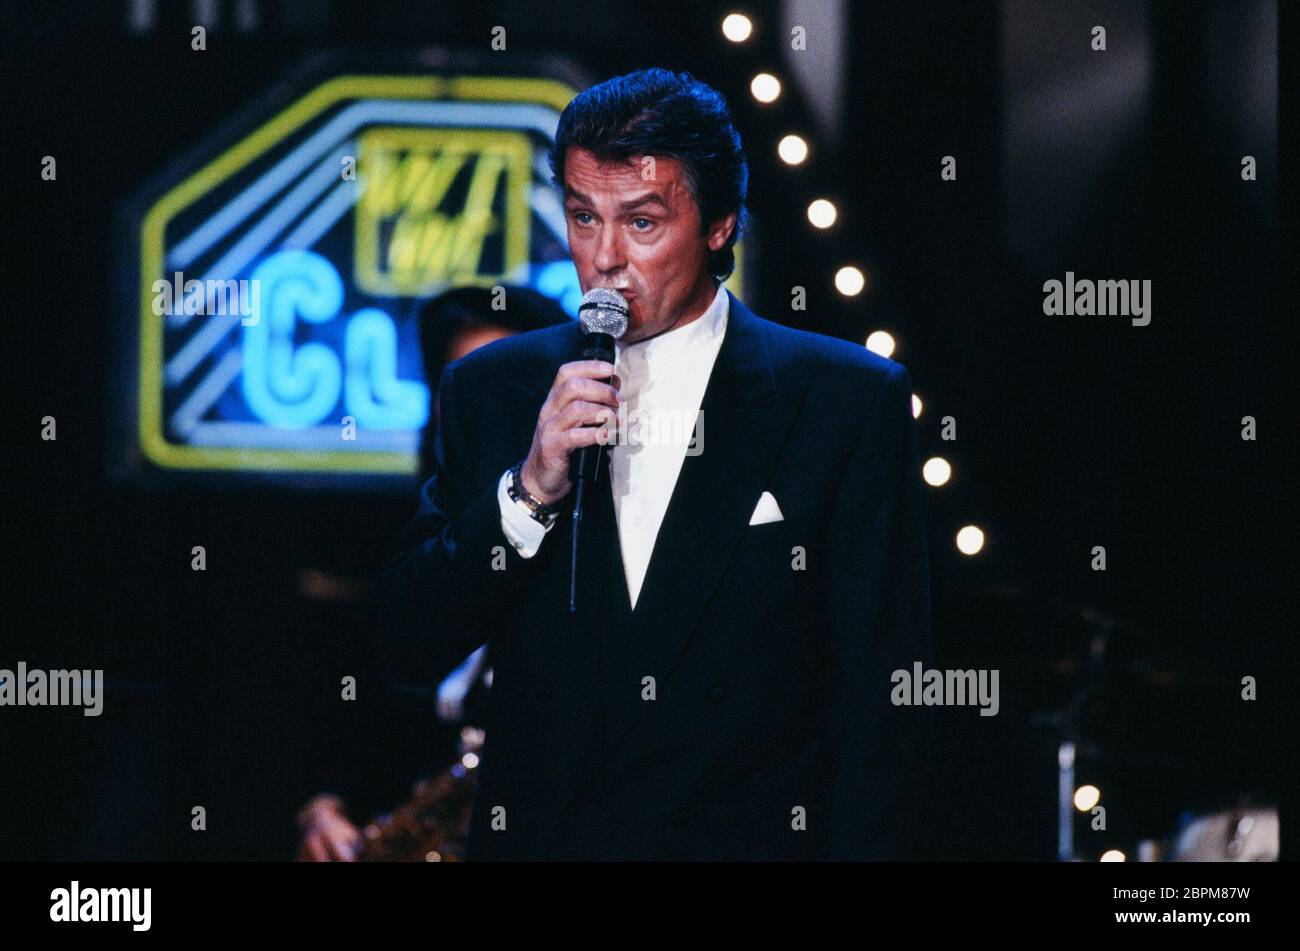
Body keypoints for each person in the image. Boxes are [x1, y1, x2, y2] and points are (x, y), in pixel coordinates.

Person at [381, 68, 933, 861]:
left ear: (718, 226)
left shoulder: (844, 401)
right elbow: (408, 639)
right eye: (581, 217)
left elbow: (883, 705)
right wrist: (527, 493)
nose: (604, 258)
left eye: (642, 223)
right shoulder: (495, 390)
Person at [296, 285, 571, 862]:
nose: (484, 399)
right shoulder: (402, 539)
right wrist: (324, 805)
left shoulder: (600, 543)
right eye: (462, 380)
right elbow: (353, 703)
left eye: (509, 379)